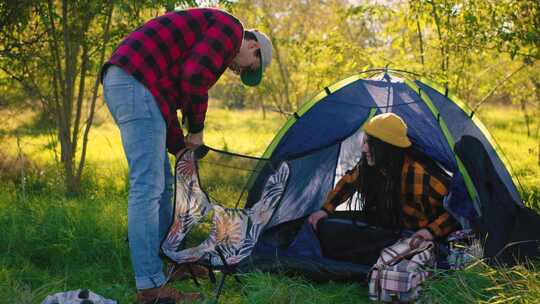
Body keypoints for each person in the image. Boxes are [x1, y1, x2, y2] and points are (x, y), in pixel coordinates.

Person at [100, 7, 273, 303]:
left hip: (135, 85)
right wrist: (197, 130)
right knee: (147, 188)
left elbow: (166, 99)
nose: (239, 72)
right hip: (133, 82)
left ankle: (170, 264)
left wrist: (179, 146)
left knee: (163, 186)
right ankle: (150, 287)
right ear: (254, 46)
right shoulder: (231, 28)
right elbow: (195, 80)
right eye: (247, 68)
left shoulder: (198, 44)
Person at [307, 113, 459, 265]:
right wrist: (325, 210)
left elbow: (457, 211)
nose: (364, 148)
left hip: (416, 236)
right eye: (365, 141)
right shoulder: (372, 165)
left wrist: (430, 232)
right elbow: (347, 183)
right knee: (328, 227)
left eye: (370, 143)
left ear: (387, 148)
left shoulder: (421, 175)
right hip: (387, 226)